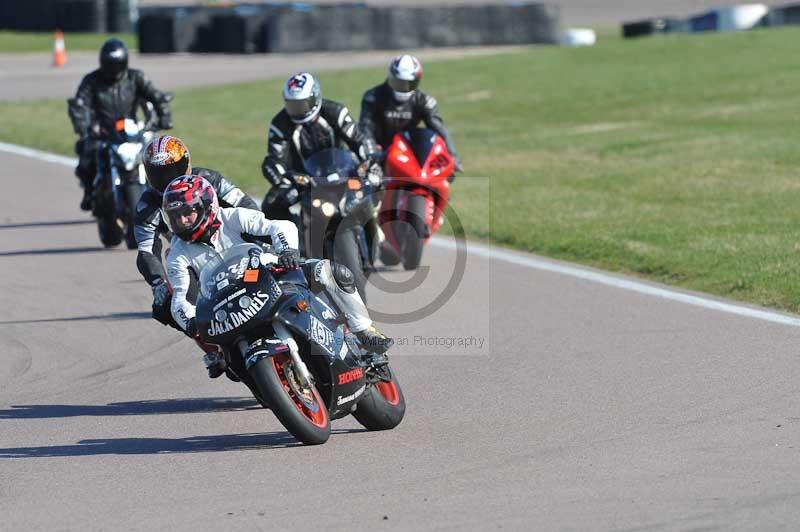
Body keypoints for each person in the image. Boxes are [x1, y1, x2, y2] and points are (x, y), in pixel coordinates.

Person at [162, 174, 392, 376]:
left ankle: (364, 332)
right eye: (175, 217)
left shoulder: (231, 217)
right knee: (224, 362)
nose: (182, 221)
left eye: (187, 213)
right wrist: (191, 322)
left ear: (205, 206)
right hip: (227, 306)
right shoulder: (177, 253)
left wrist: (287, 250)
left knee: (331, 271)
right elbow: (181, 297)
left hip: (265, 277)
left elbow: (277, 227)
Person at [135, 135, 259, 339]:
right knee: (165, 306)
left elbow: (244, 204)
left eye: (172, 171)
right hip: (190, 256)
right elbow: (146, 250)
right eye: (158, 174)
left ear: (186, 164)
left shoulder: (210, 178)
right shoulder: (147, 206)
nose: (167, 179)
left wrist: (257, 237)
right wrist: (158, 283)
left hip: (229, 240)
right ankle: (214, 348)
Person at [67, 38, 173, 211]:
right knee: (87, 152)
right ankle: (89, 192)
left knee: (159, 155)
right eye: (109, 65)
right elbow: (81, 104)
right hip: (102, 130)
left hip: (131, 129)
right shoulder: (91, 81)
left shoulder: (136, 77)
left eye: (117, 65)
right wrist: (83, 126)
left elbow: (157, 96)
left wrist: (164, 117)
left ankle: (163, 193)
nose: (113, 70)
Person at [260, 72, 381, 221]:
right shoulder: (280, 124)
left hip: (344, 171)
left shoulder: (335, 112)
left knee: (376, 177)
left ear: (315, 97)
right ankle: (293, 235)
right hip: (305, 181)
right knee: (270, 205)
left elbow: (358, 139)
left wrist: (368, 160)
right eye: (292, 105)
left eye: (302, 104)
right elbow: (274, 160)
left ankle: (378, 223)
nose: (298, 110)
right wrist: (285, 178)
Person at [359, 55, 462, 173]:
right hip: (380, 152)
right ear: (390, 77)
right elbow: (365, 130)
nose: (404, 88)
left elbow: (439, 130)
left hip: (411, 156)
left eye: (410, 84)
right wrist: (372, 155)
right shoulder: (372, 97)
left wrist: (452, 158)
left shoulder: (424, 101)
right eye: (399, 83)